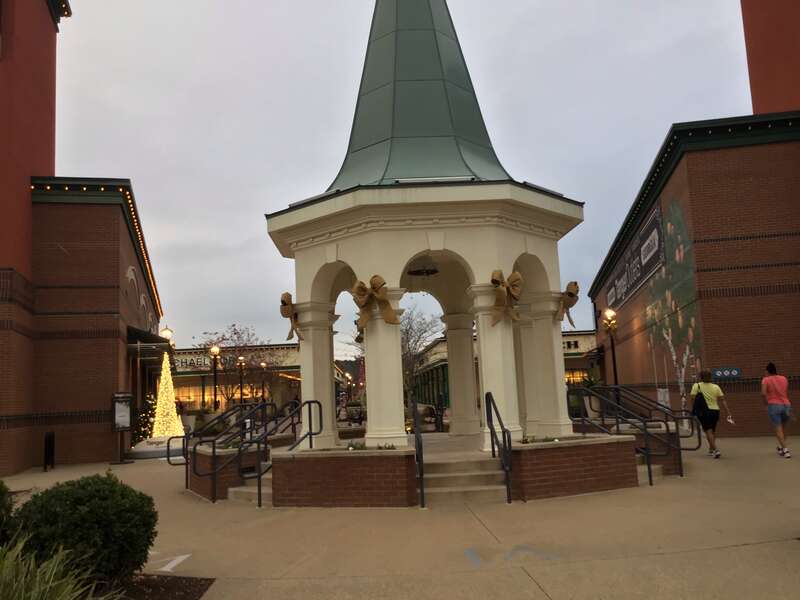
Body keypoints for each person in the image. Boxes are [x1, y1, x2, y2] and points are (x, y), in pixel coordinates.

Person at [690, 370, 731, 458]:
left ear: (700, 377)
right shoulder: (716, 387)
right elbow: (723, 400)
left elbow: (692, 398)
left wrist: (694, 409)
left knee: (708, 431)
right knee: (712, 431)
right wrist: (728, 412)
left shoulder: (696, 386)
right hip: (715, 410)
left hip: (704, 411)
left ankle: (716, 450)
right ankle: (711, 449)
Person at [761, 362, 792, 458]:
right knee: (784, 428)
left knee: (778, 429)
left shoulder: (765, 380)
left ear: (767, 371)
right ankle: (781, 447)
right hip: (786, 405)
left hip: (774, 405)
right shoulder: (784, 378)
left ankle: (786, 450)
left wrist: (766, 404)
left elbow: (763, 393)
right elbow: (784, 391)